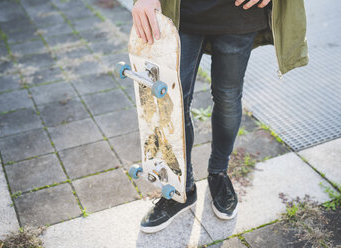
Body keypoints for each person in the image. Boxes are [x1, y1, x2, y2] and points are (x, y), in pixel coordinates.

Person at [131, 0, 309, 233]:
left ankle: (218, 173)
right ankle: (180, 189)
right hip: (179, 12)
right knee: (170, 105)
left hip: (240, 13)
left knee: (228, 98)